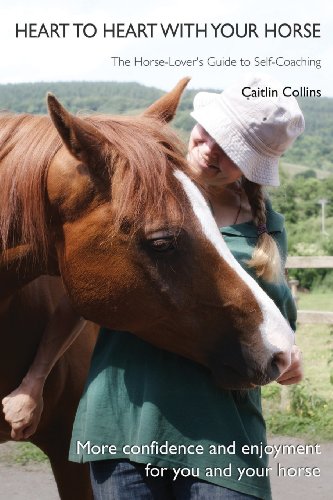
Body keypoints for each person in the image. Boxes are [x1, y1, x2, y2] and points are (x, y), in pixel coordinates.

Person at [3, 73, 303, 499]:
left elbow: (275, 317)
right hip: (122, 427)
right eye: (210, 132)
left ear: (252, 165)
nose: (210, 149)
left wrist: (287, 348)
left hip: (215, 433)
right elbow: (81, 295)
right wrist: (34, 381)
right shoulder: (143, 188)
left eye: (234, 150)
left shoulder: (262, 226)